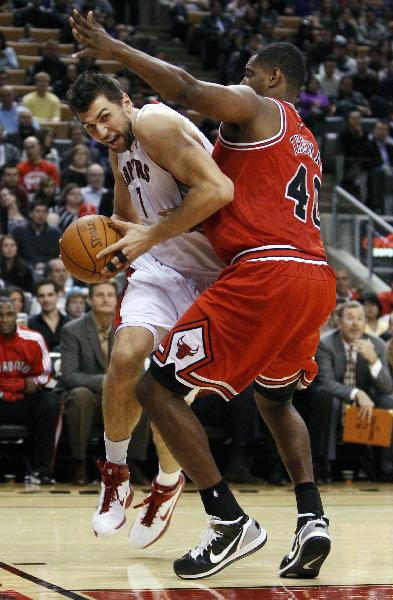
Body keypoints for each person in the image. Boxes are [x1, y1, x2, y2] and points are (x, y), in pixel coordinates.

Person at [70, 12, 336, 579]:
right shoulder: (306, 140)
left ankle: (227, 520)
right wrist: (117, 239)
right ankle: (312, 516)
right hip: (315, 275)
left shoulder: (258, 109)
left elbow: (189, 92)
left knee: (156, 389)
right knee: (276, 400)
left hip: (260, 271)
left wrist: (113, 45)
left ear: (274, 81)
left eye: (249, 72)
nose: (240, 79)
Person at [66, 71, 234, 548]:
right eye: (88, 126)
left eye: (104, 117)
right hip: (161, 268)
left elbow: (219, 192)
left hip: (211, 279)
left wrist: (148, 236)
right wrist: (108, 246)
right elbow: (128, 219)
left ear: (125, 101)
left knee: (167, 393)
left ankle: (166, 482)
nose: (99, 131)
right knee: (124, 357)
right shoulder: (117, 144)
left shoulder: (156, 122)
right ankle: (115, 473)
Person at [311, 301, 393, 482]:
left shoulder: (377, 345)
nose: (355, 323)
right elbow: (327, 382)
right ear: (338, 321)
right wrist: (356, 393)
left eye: (360, 319)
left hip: (366, 406)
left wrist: (373, 361)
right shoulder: (326, 344)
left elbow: (387, 388)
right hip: (336, 400)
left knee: (388, 401)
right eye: (349, 318)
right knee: (325, 396)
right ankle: (323, 465)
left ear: (365, 322)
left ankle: (385, 468)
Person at [60, 281, 117, 484]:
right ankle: (79, 463)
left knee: (141, 395)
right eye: (100, 295)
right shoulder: (72, 330)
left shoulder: (126, 329)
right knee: (80, 395)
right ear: (90, 300)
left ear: (117, 300)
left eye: (110, 294)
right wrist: (106, 381)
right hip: (91, 397)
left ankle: (132, 464)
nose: (105, 298)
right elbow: (68, 375)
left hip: (117, 398)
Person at [0, 295, 61, 484]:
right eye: (0, 315)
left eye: (9, 314)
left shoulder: (33, 338)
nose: (4, 319)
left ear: (16, 315)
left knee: (50, 402)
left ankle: (40, 471)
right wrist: (20, 385)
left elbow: (44, 375)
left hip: (24, 403)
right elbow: (29, 383)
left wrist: (12, 387)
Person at [28, 279, 69, 352]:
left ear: (57, 295)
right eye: (41, 296)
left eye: (50, 295)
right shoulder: (30, 325)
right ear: (37, 299)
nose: (46, 299)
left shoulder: (69, 323)